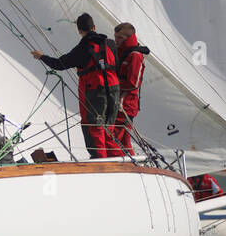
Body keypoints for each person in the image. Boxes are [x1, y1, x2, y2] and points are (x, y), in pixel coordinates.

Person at [31, 13, 120, 158]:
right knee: (109, 128)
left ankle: (101, 162)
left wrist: (41, 56)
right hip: (114, 90)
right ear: (94, 27)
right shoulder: (110, 43)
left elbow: (59, 64)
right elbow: (116, 64)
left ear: (79, 30)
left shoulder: (83, 49)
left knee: (94, 128)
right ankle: (118, 160)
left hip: (96, 92)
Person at [111, 22, 148, 156]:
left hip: (126, 106)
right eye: (115, 37)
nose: (116, 41)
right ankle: (132, 167)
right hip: (119, 104)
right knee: (122, 140)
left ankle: (127, 167)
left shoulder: (135, 55)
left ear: (128, 38)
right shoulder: (121, 53)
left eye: (119, 38)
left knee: (117, 139)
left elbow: (133, 83)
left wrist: (112, 83)